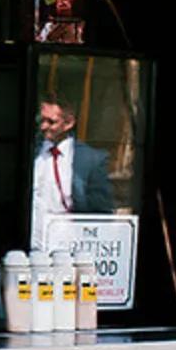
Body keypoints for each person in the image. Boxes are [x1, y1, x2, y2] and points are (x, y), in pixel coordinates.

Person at [31, 99, 111, 249]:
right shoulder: (32, 152)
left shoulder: (89, 159)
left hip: (68, 244)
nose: (43, 126)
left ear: (68, 123)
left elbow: (100, 210)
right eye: (41, 120)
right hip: (31, 242)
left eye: (51, 122)